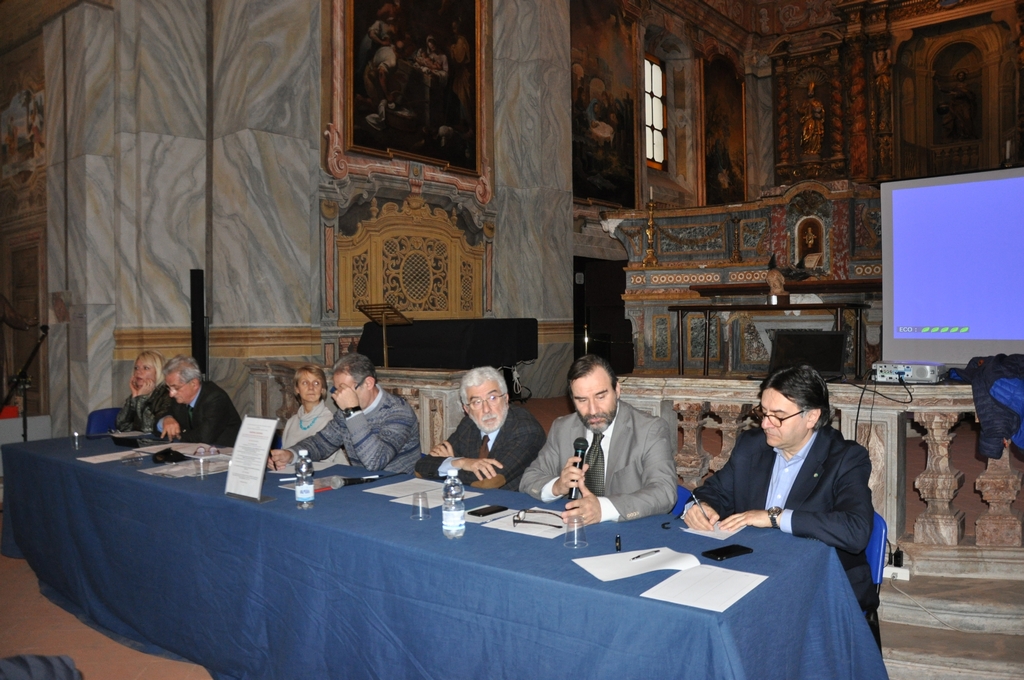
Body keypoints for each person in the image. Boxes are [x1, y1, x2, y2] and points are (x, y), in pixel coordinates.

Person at [683, 364, 879, 631]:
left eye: (778, 416)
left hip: (822, 584)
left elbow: (855, 531)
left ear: (811, 417)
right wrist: (700, 506)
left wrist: (774, 517)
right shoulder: (752, 445)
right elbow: (713, 491)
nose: (765, 424)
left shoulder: (845, 458)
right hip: (754, 569)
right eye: (763, 413)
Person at [520, 354, 676, 525]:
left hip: (628, 531)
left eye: (600, 397)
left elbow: (664, 491)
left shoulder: (649, 429)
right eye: (582, 400)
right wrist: (557, 486)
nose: (593, 410)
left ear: (617, 390)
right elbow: (529, 479)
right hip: (575, 529)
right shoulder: (562, 428)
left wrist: (603, 508)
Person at [267, 353, 421, 473]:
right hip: (362, 486)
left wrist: (353, 412)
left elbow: (375, 461)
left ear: (368, 383)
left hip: (397, 490)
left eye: (344, 389)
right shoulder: (345, 411)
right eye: (336, 389)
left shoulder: (398, 412)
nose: (337, 395)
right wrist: (291, 454)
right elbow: (321, 443)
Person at [414, 366, 545, 490]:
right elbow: (421, 468)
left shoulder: (526, 429)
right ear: (467, 409)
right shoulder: (469, 425)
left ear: (506, 399)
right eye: (477, 402)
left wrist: (449, 465)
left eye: (492, 398)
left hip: (514, 506)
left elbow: (489, 481)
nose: (486, 409)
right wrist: (462, 462)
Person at [156, 355, 242, 447]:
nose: (171, 394)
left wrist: (177, 434)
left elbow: (204, 437)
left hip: (223, 453)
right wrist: (166, 420)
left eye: (176, 388)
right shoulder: (179, 398)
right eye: (169, 388)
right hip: (195, 452)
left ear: (194, 384)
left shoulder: (215, 398)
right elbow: (156, 423)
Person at [279, 365, 348, 470]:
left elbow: (324, 463)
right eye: (305, 383)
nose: (311, 387)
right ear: (297, 389)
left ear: (322, 389)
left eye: (316, 383)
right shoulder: (291, 422)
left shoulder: (331, 421)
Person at [115, 350, 172, 433]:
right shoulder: (139, 393)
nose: (138, 372)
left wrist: (141, 399)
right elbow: (121, 426)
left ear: (158, 371)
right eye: (136, 368)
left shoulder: (168, 395)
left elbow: (150, 428)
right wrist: (134, 398)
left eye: (146, 368)